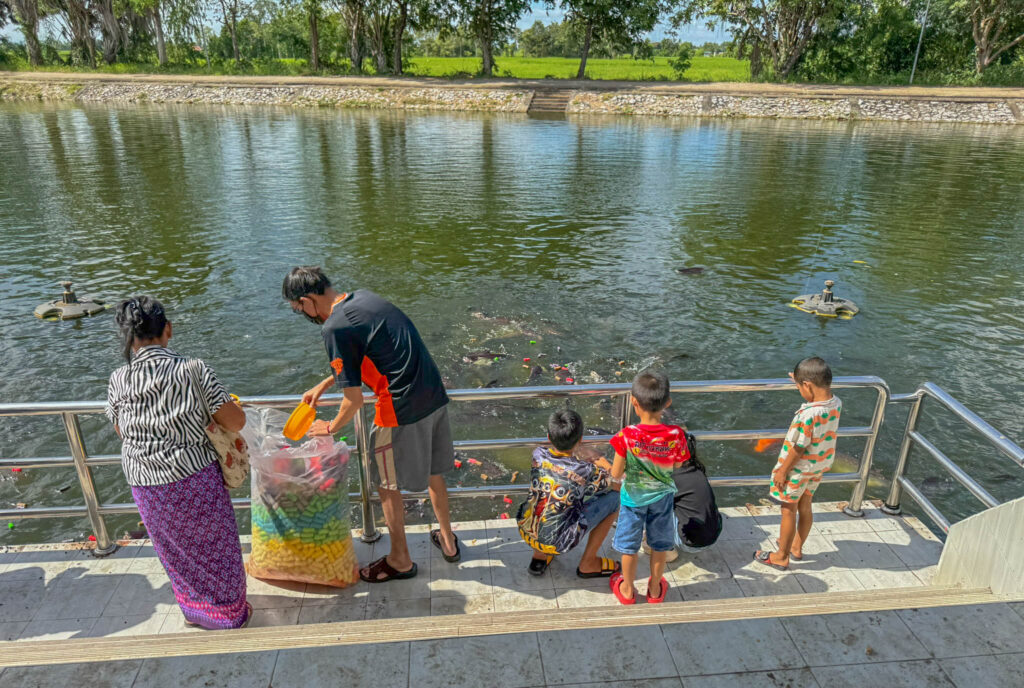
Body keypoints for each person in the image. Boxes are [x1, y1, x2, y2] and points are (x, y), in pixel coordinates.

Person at [282, 266, 459, 583]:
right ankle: (448, 542)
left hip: (399, 408)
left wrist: (330, 427)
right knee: (434, 472)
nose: (304, 316)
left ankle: (400, 560)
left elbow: (354, 401)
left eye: (299, 310)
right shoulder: (364, 298)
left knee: (386, 485)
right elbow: (373, 353)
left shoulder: (332, 328)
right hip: (432, 391)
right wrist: (326, 384)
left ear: (308, 300)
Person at [105, 296, 251, 629]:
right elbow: (234, 421)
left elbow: (120, 429)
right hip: (193, 477)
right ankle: (230, 614)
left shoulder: (118, 379)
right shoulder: (193, 369)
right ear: (167, 329)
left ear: (128, 339)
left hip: (145, 482)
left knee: (176, 552)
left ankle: (195, 611)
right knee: (217, 545)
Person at [609, 370, 691, 604]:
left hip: (633, 499)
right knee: (659, 544)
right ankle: (654, 589)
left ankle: (627, 590)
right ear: (667, 403)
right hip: (662, 498)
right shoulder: (676, 434)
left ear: (633, 401)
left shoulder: (626, 435)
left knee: (629, 547)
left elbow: (616, 474)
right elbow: (678, 463)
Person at [754, 357, 842, 571]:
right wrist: (800, 379)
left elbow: (798, 447)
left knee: (788, 510)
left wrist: (783, 471)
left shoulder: (806, 415)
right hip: (818, 466)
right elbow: (816, 398)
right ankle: (796, 547)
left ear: (808, 385)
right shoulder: (835, 402)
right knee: (806, 505)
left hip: (798, 469)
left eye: (799, 387)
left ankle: (781, 556)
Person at [517, 410, 621, 578]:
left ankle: (539, 556)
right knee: (615, 500)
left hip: (526, 532)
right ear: (580, 440)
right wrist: (598, 458)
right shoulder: (586, 470)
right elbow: (617, 483)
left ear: (549, 437)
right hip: (558, 544)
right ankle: (588, 562)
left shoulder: (538, 454)